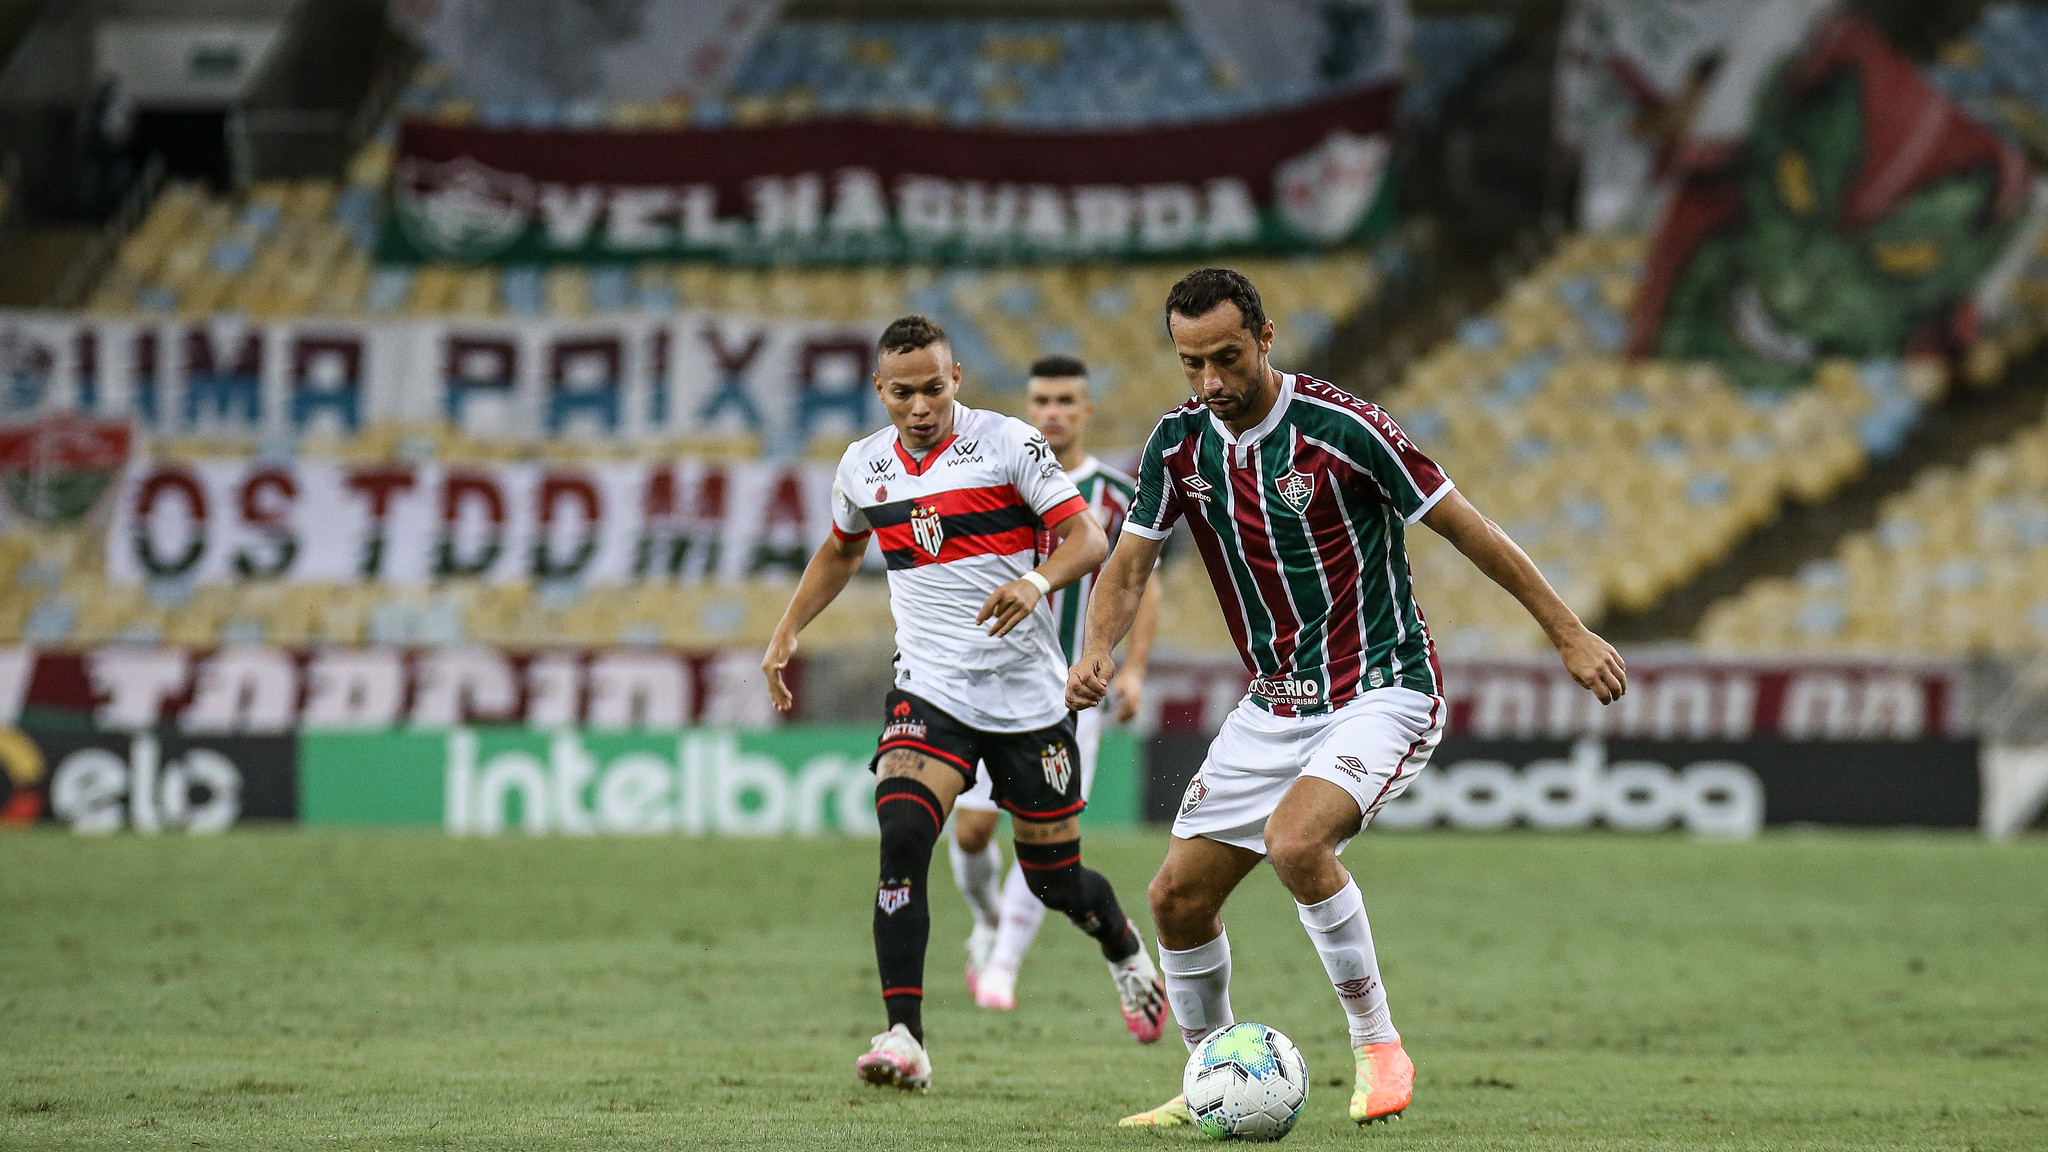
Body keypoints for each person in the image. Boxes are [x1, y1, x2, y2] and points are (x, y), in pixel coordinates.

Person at [1068, 270, 1627, 1128]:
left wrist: (1567, 632)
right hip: (1274, 703)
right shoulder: (1178, 446)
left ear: (1265, 337)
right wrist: (1099, 650)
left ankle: (1378, 1044)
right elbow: (1130, 564)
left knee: (1296, 842)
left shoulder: (1343, 429)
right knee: (1176, 899)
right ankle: (1210, 1076)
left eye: (1226, 358)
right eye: (1192, 365)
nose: (1211, 382)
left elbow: (1465, 526)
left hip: (1383, 685)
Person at [762, 317, 1168, 1094]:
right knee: (904, 834)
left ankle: (1121, 947)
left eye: (935, 388)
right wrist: (786, 630)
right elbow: (844, 548)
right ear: (880, 390)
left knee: (1055, 881)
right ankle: (904, 1036)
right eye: (903, 393)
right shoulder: (863, 465)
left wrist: (1035, 582)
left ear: (957, 381)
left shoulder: (1008, 444)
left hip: (1026, 695)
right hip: (929, 689)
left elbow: (1087, 541)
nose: (921, 407)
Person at [947, 355, 1165, 1012]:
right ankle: (987, 924)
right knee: (972, 835)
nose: (1053, 412)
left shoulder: (1117, 494)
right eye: (1042, 400)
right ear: (1028, 407)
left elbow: (1141, 583)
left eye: (1067, 400)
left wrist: (1133, 669)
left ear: (1086, 411)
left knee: (1041, 838)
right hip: (991, 691)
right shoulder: (998, 482)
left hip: (1073, 699)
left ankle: (1003, 969)